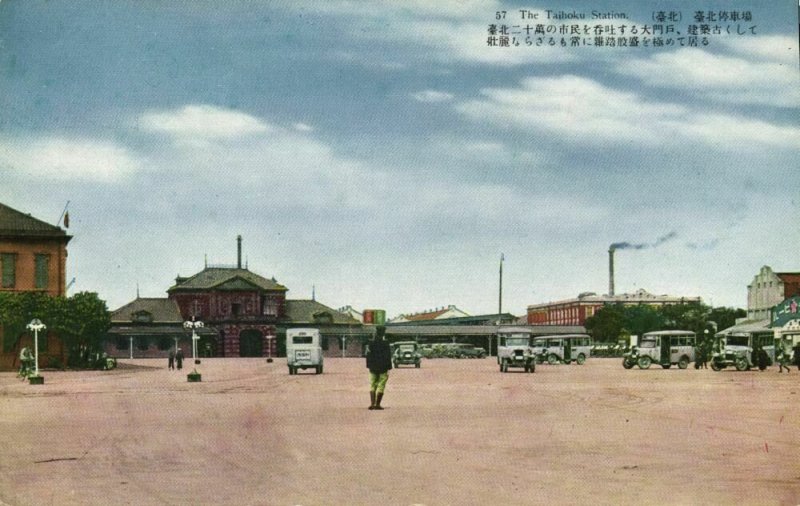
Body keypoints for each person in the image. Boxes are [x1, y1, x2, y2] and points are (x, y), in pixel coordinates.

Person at [365, 325, 392, 410]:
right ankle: (377, 404)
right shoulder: (386, 343)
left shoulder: (371, 343)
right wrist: (389, 367)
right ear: (383, 333)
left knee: (372, 384)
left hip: (373, 367)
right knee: (381, 385)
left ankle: (372, 404)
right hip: (383, 367)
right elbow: (388, 356)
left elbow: (368, 355)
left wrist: (368, 365)